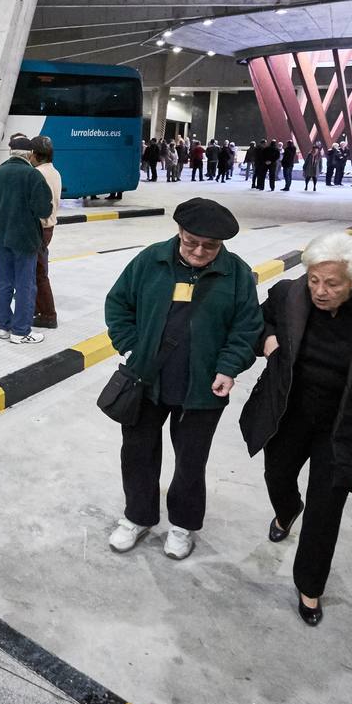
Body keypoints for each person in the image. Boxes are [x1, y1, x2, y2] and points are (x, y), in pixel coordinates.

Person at [240, 232, 352, 625]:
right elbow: (257, 322)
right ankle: (287, 510)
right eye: (314, 280)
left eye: (332, 284)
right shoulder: (288, 296)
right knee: (277, 476)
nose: (320, 291)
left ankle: (310, 586)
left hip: (345, 427)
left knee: (325, 510)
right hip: (289, 415)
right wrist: (268, 340)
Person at [104, 198, 261, 561]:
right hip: (146, 380)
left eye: (210, 246)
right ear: (179, 232)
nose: (199, 251)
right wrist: (132, 346)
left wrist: (228, 367)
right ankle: (138, 516)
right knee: (138, 452)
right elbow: (118, 304)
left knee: (191, 460)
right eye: (192, 242)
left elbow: (246, 328)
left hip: (203, 386)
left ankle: (183, 524)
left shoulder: (236, 274)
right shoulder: (151, 260)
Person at [0, 134, 53, 344]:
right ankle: (21, 331)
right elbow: (44, 209)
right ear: (29, 154)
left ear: (10, 152)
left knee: (3, 283)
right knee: (25, 285)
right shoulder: (33, 175)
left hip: (1, 239)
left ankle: (4, 326)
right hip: (25, 240)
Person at [31, 135, 61, 329]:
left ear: (35, 154)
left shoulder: (37, 174)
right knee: (37, 271)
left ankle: (49, 315)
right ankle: (36, 309)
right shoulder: (55, 172)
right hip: (48, 228)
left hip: (39, 229)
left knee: (39, 274)